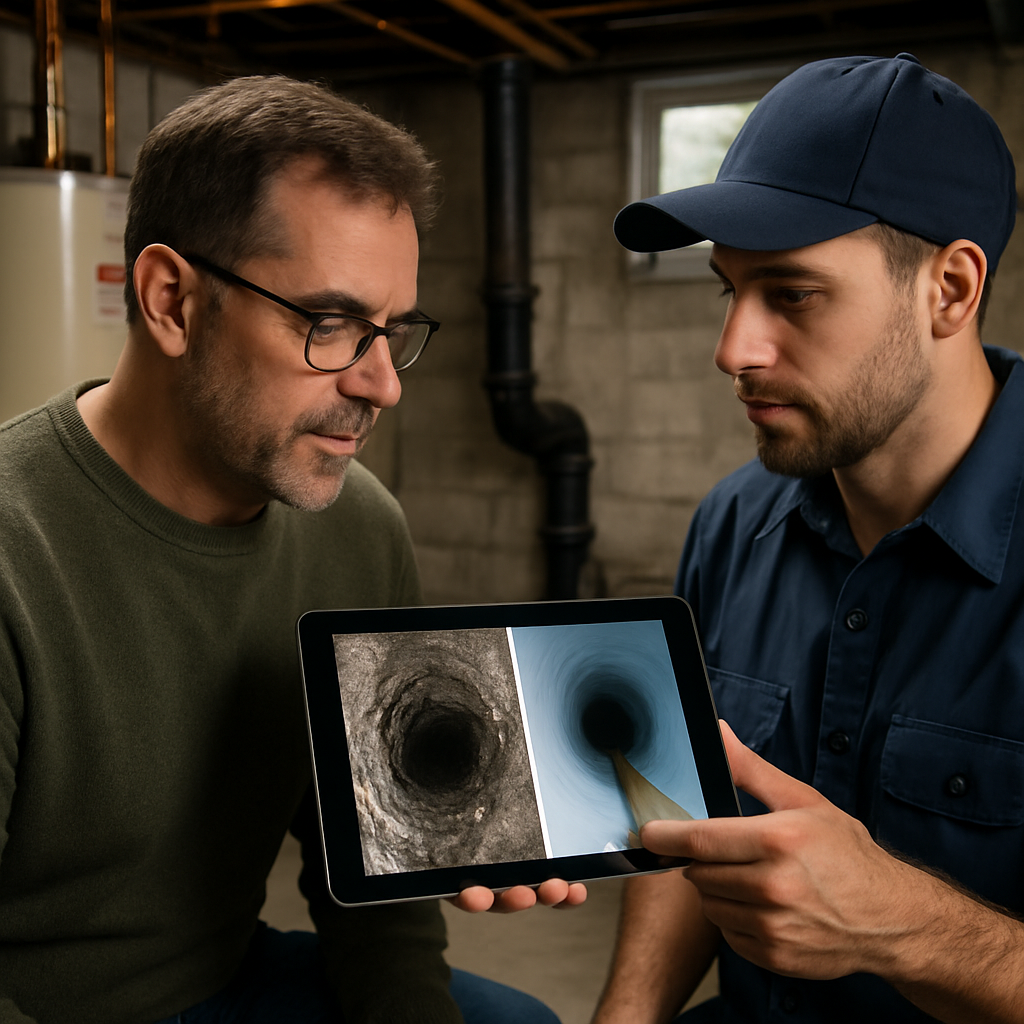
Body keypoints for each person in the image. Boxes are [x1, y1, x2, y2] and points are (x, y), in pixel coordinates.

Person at [0, 75, 581, 1024]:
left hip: (229, 979)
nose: (384, 385)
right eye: (331, 324)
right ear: (171, 302)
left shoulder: (360, 527)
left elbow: (370, 889)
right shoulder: (14, 550)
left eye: (394, 331)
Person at [594, 53, 1021, 1024]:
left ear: (948, 290)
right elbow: (684, 813)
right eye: (726, 291)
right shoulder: (731, 524)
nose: (732, 350)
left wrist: (903, 924)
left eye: (791, 293)